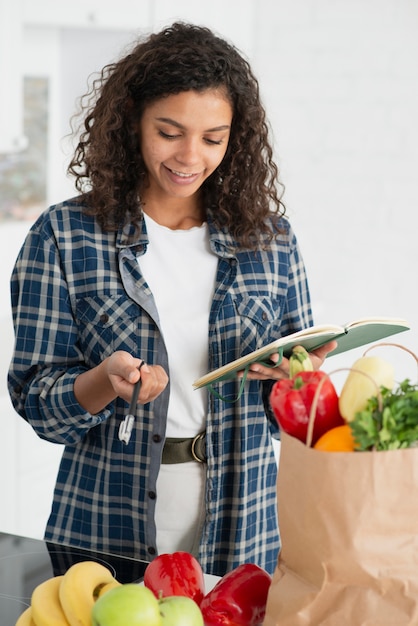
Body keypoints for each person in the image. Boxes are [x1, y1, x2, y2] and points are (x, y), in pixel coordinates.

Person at [8, 21, 336, 577]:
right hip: (105, 523)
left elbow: (293, 421)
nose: (190, 156)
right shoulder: (64, 235)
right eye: (170, 131)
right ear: (132, 119)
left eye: (213, 138)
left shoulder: (272, 240)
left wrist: (297, 381)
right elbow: (40, 404)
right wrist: (100, 382)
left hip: (244, 524)